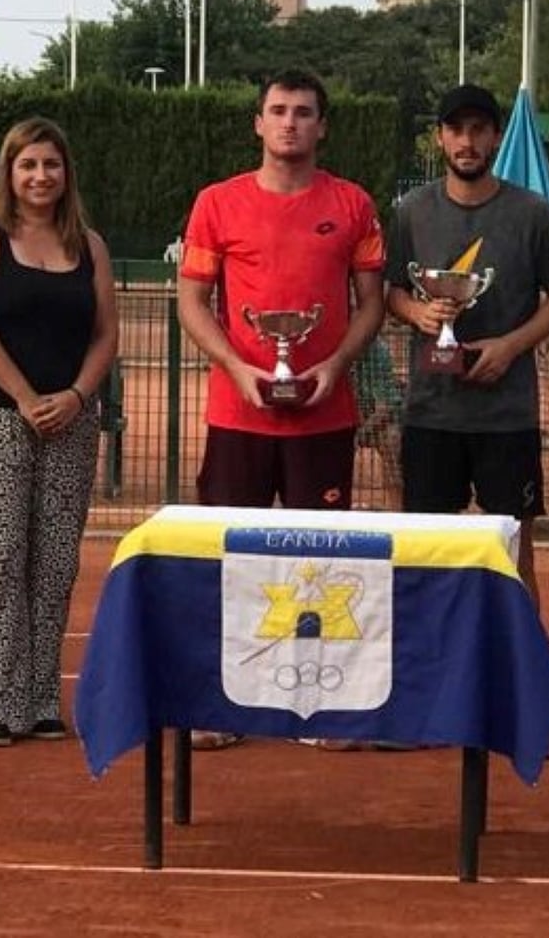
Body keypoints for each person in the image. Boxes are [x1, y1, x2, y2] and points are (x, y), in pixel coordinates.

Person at [176, 68, 386, 750]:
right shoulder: (217, 202)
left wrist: (334, 364)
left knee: (318, 566)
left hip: (324, 414)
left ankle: (317, 702)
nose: (290, 122)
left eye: (303, 112)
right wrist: (237, 366)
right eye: (278, 110)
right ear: (258, 123)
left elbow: (372, 304)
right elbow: (192, 301)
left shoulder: (352, 204)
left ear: (322, 125)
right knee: (229, 557)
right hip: (237, 414)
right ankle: (219, 702)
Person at [0, 118, 118, 748]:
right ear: (9, 173)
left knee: (53, 564)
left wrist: (75, 397)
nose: (40, 176)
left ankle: (40, 696)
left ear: (65, 172)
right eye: (28, 166)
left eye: (51, 164)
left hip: (71, 420)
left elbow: (106, 335)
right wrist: (25, 399)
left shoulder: (89, 246)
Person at [385, 83, 549, 606]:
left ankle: (519, 673)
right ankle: (427, 669)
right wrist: (419, 312)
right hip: (431, 411)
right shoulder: (411, 212)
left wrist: (511, 346)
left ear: (494, 138)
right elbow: (392, 293)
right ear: (441, 138)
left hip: (506, 415)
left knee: (515, 554)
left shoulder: (532, 214)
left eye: (478, 130)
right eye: (456, 130)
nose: (466, 141)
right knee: (426, 552)